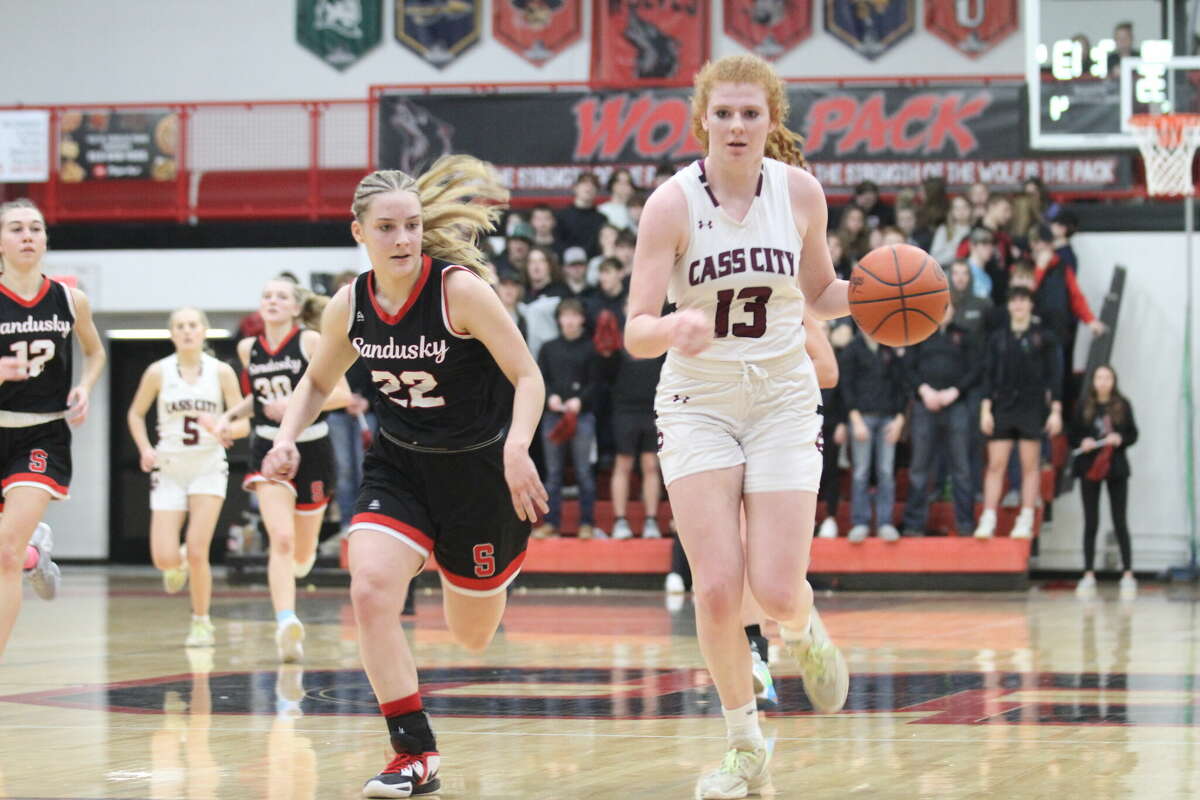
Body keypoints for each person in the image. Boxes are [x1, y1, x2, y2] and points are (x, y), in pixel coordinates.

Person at [258, 156, 547, 799]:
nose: (403, 240)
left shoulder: (461, 292)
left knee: (472, 636)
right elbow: (316, 383)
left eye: (412, 226)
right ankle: (413, 755)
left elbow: (529, 375)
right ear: (358, 232)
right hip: (399, 466)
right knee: (370, 591)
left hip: (481, 472)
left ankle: (478, 564)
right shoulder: (349, 306)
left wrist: (519, 448)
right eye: (387, 228)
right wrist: (282, 440)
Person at [625, 53, 851, 798]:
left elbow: (819, 292)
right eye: (723, 112)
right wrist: (671, 329)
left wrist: (886, 291)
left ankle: (805, 624)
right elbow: (633, 330)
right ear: (703, 119)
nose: (736, 125)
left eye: (751, 112)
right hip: (700, 400)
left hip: (783, 397)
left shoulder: (801, 194)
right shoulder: (670, 205)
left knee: (778, 591)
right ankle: (743, 743)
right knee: (718, 589)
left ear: (772, 121)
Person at [217, 278, 350, 663]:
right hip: (267, 447)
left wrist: (295, 402)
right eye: (266, 296)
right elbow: (256, 397)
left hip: (312, 447)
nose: (272, 301)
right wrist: (229, 416)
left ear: (295, 307)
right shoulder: (248, 348)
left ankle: (300, 567)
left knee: (302, 552)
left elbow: (340, 392)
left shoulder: (309, 341)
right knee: (281, 538)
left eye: (281, 296)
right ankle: (286, 622)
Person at [0, 198, 106, 659]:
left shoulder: (69, 298)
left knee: (4, 551)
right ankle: (33, 554)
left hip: (41, 433)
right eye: (17, 228)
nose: (27, 235)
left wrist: (83, 386)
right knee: (10, 549)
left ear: (45, 239)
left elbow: (96, 352)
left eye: (36, 228)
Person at [126, 307, 245, 647]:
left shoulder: (221, 372)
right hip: (170, 467)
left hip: (208, 465)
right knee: (164, 557)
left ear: (204, 331)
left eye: (193, 325)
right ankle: (174, 563)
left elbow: (243, 422)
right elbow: (135, 413)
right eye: (180, 326)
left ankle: (201, 621)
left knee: (198, 549)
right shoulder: (158, 371)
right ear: (172, 334)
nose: (187, 331)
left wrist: (225, 427)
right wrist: (145, 448)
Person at [975, 286, 1062, 539]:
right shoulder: (997, 338)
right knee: (996, 465)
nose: (1019, 305)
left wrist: (1055, 410)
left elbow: (1054, 377)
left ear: (1031, 305)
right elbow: (988, 376)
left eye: (1023, 301)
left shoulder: (1043, 338)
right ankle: (988, 517)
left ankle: (1025, 518)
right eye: (1014, 301)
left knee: (1030, 466)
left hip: (1032, 406)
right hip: (1002, 405)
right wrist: (985, 409)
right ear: (1009, 306)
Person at [899, 302, 981, 537]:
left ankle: (965, 525)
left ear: (955, 310)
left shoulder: (964, 335)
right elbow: (907, 367)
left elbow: (976, 368)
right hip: (925, 405)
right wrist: (923, 390)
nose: (943, 311)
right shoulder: (919, 333)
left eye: (947, 307)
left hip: (956, 405)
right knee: (919, 467)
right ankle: (914, 524)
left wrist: (956, 390)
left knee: (961, 468)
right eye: (939, 306)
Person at [532, 298, 603, 539]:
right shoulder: (548, 348)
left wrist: (580, 401)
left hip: (582, 417)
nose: (570, 321)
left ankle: (586, 523)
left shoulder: (591, 348)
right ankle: (550, 523)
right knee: (553, 473)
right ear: (559, 319)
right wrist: (550, 397)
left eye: (574, 316)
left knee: (584, 472)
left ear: (582, 319)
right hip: (553, 416)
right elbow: (540, 379)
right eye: (565, 316)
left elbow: (596, 383)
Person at [1070, 365, 1139, 599]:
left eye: (1107, 377)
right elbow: (1072, 436)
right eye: (1099, 377)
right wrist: (1085, 441)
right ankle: (1088, 574)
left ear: (1113, 380)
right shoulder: (1083, 405)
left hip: (1116, 469)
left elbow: (1133, 434)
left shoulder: (1122, 404)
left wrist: (1120, 438)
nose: (1103, 381)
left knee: (1120, 520)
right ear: (1093, 381)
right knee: (1091, 521)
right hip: (1090, 469)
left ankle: (1128, 573)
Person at [604, 301, 665, 540]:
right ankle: (620, 521)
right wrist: (606, 354)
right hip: (624, 410)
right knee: (624, 463)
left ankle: (651, 521)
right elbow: (605, 376)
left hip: (654, 408)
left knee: (651, 465)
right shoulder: (617, 336)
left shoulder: (659, 335)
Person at [840, 329, 906, 542]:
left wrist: (900, 420)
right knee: (861, 472)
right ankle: (860, 522)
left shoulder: (889, 348)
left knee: (886, 471)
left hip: (888, 418)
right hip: (862, 417)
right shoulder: (852, 349)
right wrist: (855, 419)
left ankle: (885, 522)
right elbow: (846, 386)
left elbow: (901, 386)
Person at [556, 172, 607, 257]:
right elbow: (557, 243)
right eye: (584, 183)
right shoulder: (561, 216)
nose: (589, 187)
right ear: (575, 188)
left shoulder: (601, 219)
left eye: (593, 184)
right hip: (566, 264)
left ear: (597, 192)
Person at [929, 195, 973, 266]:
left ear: (970, 209)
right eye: (957, 208)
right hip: (947, 272)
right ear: (952, 211)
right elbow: (934, 258)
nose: (961, 211)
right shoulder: (944, 230)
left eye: (964, 207)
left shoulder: (974, 230)